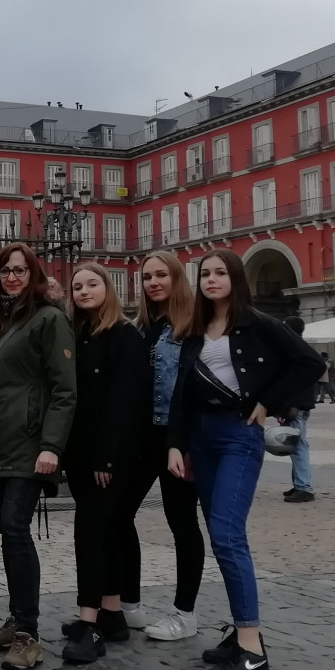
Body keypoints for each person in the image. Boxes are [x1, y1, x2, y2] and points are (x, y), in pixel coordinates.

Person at [167, 249, 323, 670]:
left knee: (227, 535)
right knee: (221, 539)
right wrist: (176, 443)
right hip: (201, 439)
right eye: (205, 274)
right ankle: (241, 635)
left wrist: (269, 402)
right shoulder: (195, 328)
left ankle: (252, 652)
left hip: (238, 436)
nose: (211, 280)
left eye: (220, 273)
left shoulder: (258, 324)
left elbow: (311, 363)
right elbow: (182, 391)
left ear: (235, 278)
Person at [0, 243, 77, 670]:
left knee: (15, 529)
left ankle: (27, 634)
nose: (12, 277)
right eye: (5, 271)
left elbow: (65, 389)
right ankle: (17, 618)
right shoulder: (1, 324)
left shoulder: (50, 320)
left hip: (30, 444)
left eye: (19, 270)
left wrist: (52, 445)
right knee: (8, 531)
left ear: (34, 274)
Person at [60, 262, 149, 665]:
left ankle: (89, 622)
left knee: (90, 533)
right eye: (77, 286)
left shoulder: (124, 336)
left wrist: (107, 457)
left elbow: (125, 402)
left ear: (108, 288)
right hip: (82, 453)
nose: (83, 291)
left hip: (109, 455)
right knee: (108, 531)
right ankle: (111, 613)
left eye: (92, 284)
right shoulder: (79, 335)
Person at [120, 251, 205, 643]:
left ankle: (185, 613)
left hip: (177, 439)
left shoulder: (193, 327)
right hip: (142, 438)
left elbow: (192, 388)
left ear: (176, 278)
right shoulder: (142, 328)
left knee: (182, 524)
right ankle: (130, 604)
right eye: (146, 277)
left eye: (161, 275)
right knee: (119, 515)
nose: (153, 282)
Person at [282, 317, 318, 503]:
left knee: (298, 447)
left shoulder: (294, 351)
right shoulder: (304, 348)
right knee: (297, 445)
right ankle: (299, 484)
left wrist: (289, 406)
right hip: (302, 405)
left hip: (296, 406)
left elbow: (295, 383)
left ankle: (304, 487)